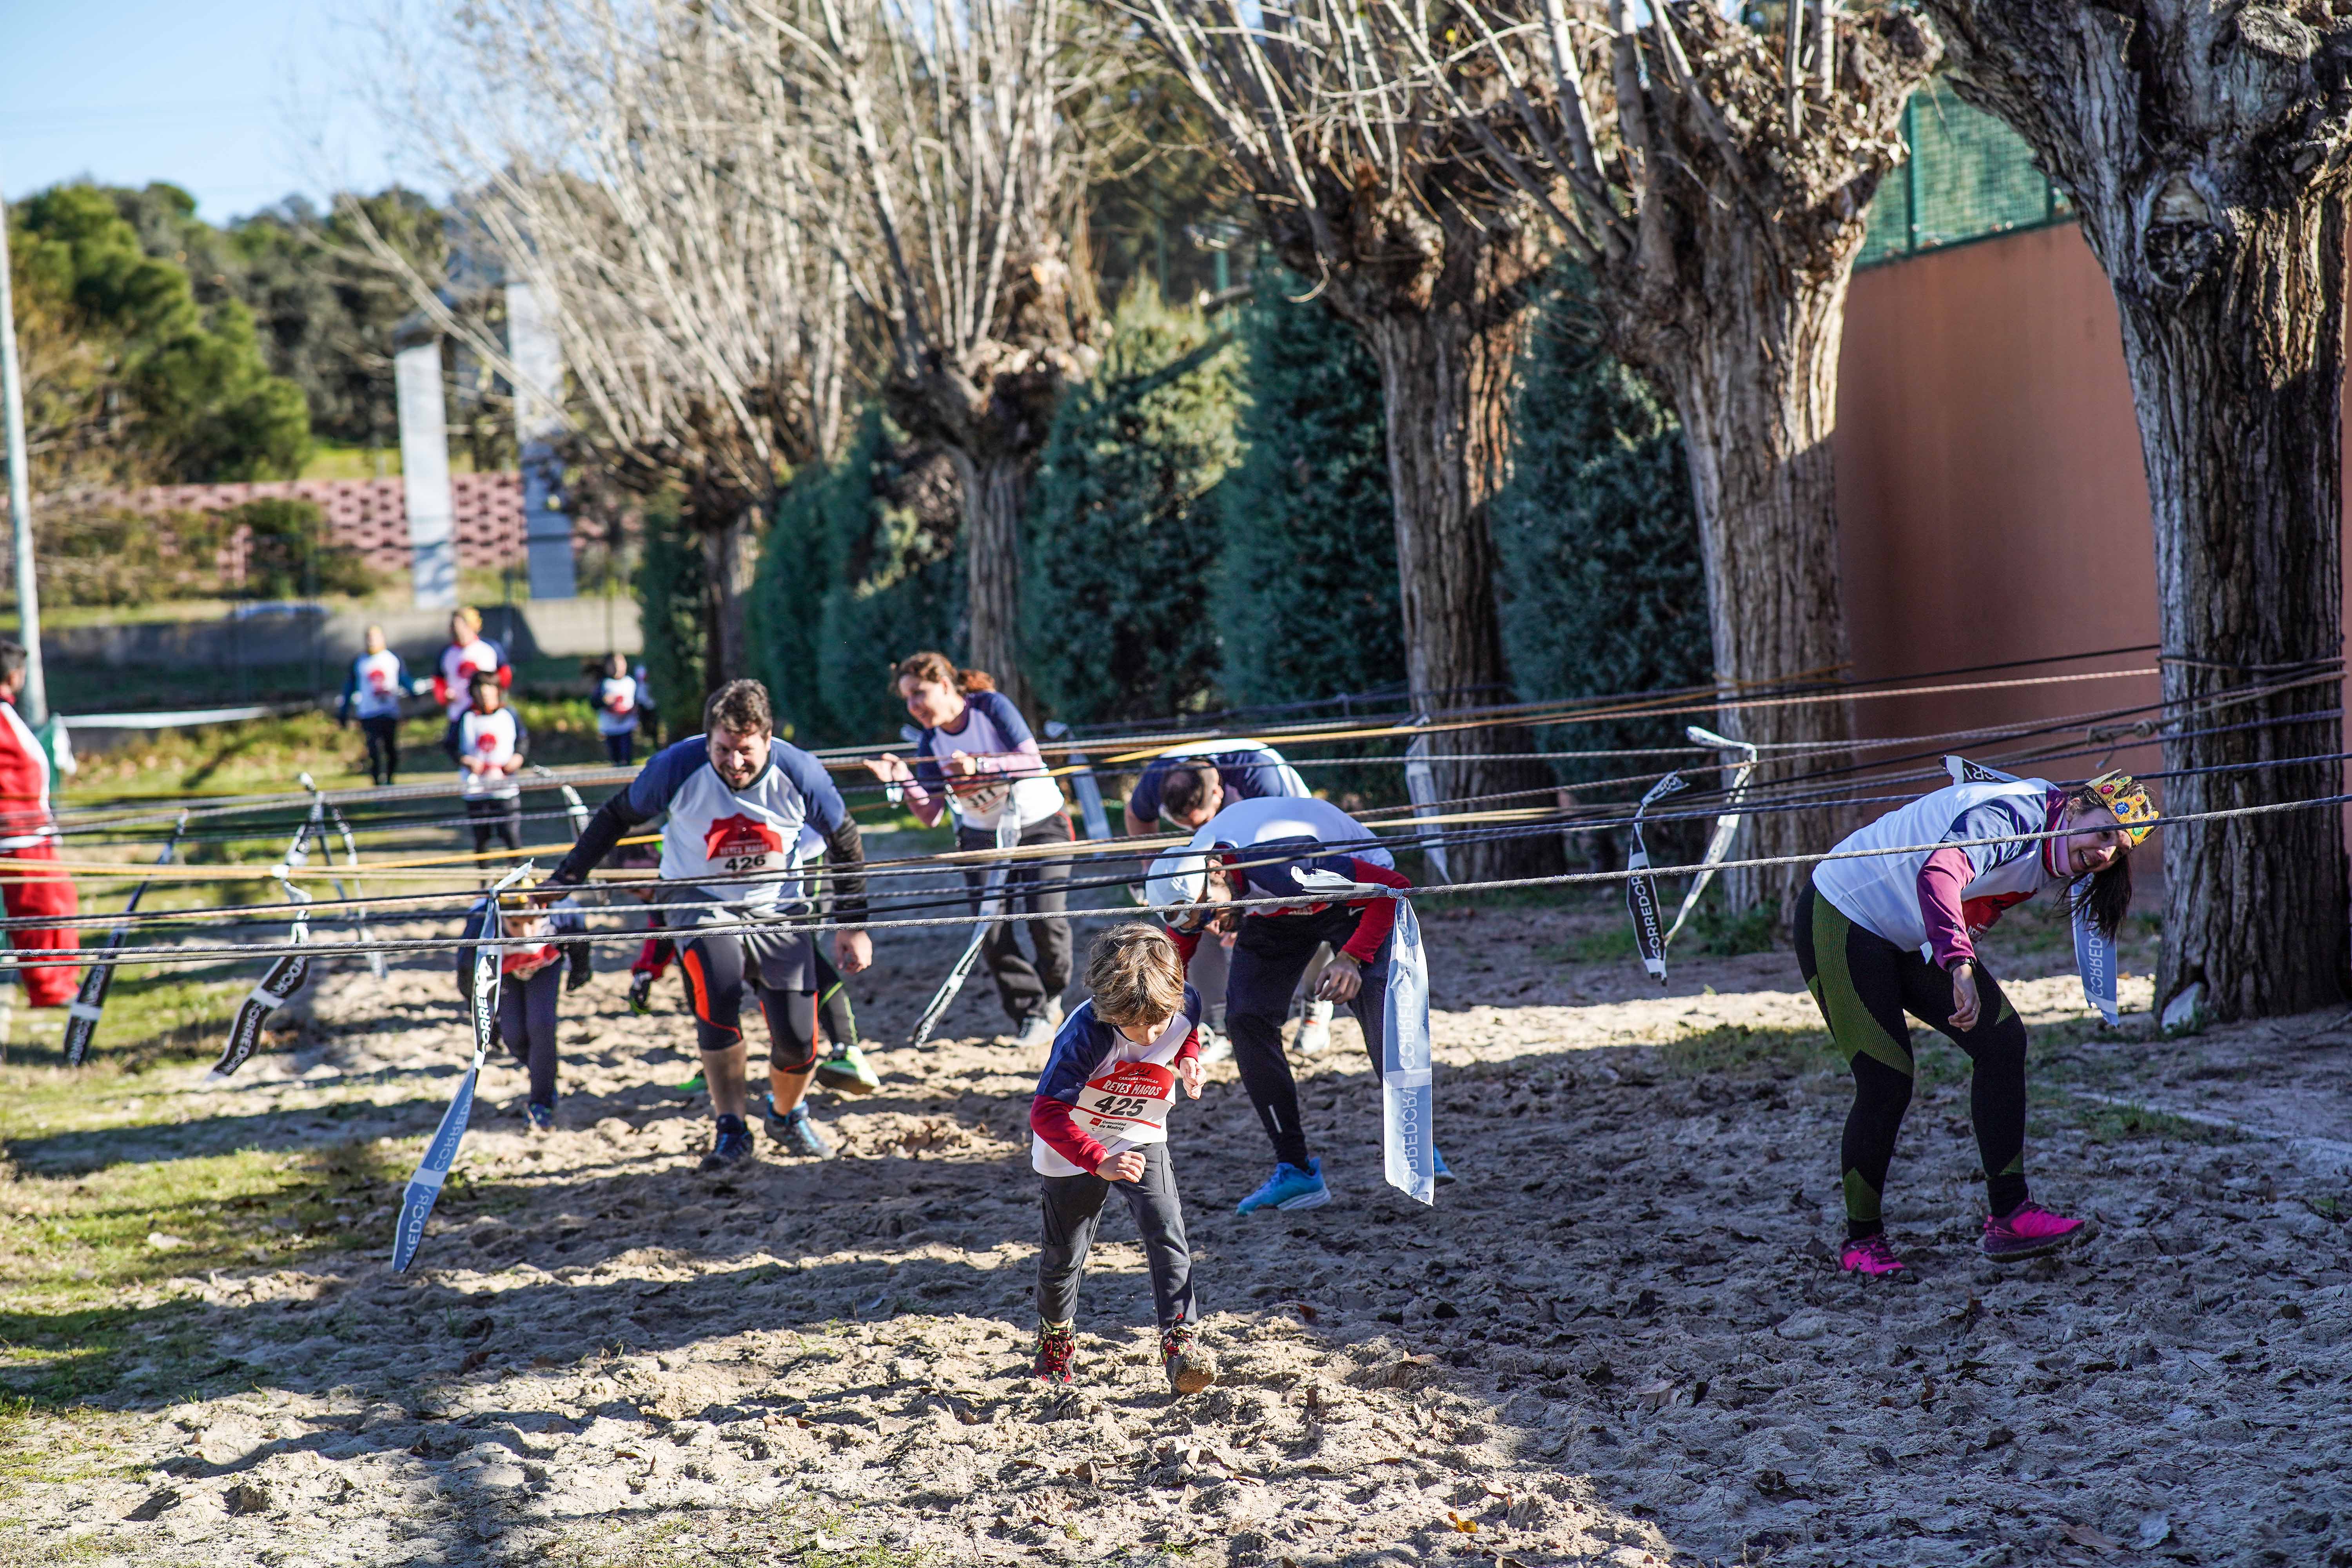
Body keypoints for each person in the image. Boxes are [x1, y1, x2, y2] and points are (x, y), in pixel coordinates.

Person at [1798, 768, 2156, 1275]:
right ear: (2079, 803)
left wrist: (1960, 949)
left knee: (2003, 1042)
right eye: (2103, 835)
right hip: (1840, 913)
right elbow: (1940, 873)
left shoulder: (2050, 848)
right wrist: (1958, 963)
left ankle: (2010, 1215)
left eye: (2116, 852)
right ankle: (1862, 1242)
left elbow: (1971, 895)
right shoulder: (2021, 816)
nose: (2103, 856)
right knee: (1886, 1080)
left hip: (1907, 930)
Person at [545, 679, 872, 1169]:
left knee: (798, 1042)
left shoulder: (800, 770)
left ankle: (785, 1114)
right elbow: (615, 815)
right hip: (697, 899)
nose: (734, 763)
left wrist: (852, 924)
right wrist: (567, 877)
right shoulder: (678, 765)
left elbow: (845, 839)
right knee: (717, 996)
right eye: (723, 749)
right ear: (707, 740)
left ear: (767, 739)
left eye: (746, 751)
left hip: (778, 906)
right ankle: (732, 1128)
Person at [1145, 793, 1452, 1214]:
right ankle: (1295, 1170)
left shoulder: (1282, 867)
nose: (1215, 927)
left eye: (1213, 913)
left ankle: (1419, 1148)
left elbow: (1393, 888)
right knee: (1245, 1019)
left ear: (1219, 873)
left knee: (1383, 1007)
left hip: (1358, 898)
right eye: (1204, 922)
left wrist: (1351, 959)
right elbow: (1176, 959)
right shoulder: (1197, 877)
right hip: (1276, 912)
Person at [1029, 923, 1214, 1394]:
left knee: (1167, 1227)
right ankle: (1056, 1340)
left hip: (1136, 1127)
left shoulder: (1185, 1000)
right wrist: (1097, 1159)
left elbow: (1185, 1030)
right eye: (1138, 1026)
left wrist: (1190, 1057)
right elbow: (1046, 1112)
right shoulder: (1086, 1036)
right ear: (1108, 1006)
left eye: (1160, 1022)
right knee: (1064, 1255)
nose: (1152, 1035)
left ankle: (1181, 1340)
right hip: (1073, 1140)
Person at [862, 653, 1072, 1048]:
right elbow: (930, 812)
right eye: (907, 699)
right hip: (981, 836)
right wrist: (904, 777)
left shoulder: (990, 707)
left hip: (1040, 823)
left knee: (1047, 918)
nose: (914, 706)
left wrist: (978, 766)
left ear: (945, 684)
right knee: (990, 931)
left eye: (919, 694)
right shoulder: (930, 739)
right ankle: (1030, 1012)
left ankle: (1052, 995)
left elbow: (1030, 759)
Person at [628, 822, 880, 1097]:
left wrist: (853, 923)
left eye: (637, 885)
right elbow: (663, 924)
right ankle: (716, 1058)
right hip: (726, 889)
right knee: (699, 961)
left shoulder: (674, 837)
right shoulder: (676, 845)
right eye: (631, 891)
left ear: (652, 854)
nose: (641, 893)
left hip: (795, 860)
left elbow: (838, 824)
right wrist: (646, 970)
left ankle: (847, 1050)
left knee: (805, 958)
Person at [1123, 741, 1330, 1059]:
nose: (1197, 830)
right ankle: (1219, 1025)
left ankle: (1316, 1003)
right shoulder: (1158, 778)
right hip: (1222, 853)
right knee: (1198, 915)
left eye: (1200, 821)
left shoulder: (1262, 777)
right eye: (1188, 825)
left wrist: (1238, 908)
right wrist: (1150, 869)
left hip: (1288, 846)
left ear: (1218, 795)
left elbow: (1289, 851)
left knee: (1308, 911)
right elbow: (1137, 817)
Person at [458, 891, 590, 1132]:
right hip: (506, 971)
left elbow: (580, 937)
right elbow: (467, 969)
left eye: (532, 921)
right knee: (515, 1036)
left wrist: (581, 971)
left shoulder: (561, 912)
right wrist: (481, 1013)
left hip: (545, 966)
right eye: (516, 924)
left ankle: (542, 1101)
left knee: (542, 1026)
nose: (525, 933)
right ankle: (541, 1069)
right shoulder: (482, 921)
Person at [0, 641, 77, 1007]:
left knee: (57, 903)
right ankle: (49, 989)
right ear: (14, 676)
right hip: (16, 835)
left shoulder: (6, 712)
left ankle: (61, 982)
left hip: (32, 830)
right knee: (37, 911)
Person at [451, 671, 527, 861]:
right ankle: (484, 880)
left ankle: (520, 878)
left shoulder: (508, 714)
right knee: (481, 839)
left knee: (511, 835)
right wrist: (466, 761)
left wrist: (518, 758)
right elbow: (451, 745)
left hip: (505, 787)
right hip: (476, 788)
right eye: (480, 688)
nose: (484, 692)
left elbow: (523, 740)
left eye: (489, 687)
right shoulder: (466, 717)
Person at [339, 624, 409, 786]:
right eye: (369, 637)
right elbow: (350, 687)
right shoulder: (360, 662)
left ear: (383, 638)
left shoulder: (392, 659)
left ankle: (390, 780)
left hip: (390, 712)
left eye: (375, 637)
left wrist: (414, 695)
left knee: (391, 749)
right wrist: (344, 710)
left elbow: (405, 680)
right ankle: (377, 783)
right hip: (368, 713)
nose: (371, 641)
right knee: (374, 750)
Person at [433, 606, 511, 726]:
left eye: (462, 626)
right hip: (458, 713)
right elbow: (438, 681)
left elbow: (505, 675)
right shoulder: (446, 653)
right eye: (455, 626)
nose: (458, 631)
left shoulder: (490, 648)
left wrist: (493, 694)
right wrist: (444, 696)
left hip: (488, 713)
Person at [590, 651, 646, 766]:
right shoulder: (604, 684)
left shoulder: (631, 682)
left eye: (620, 664)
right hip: (611, 728)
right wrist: (604, 701)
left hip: (627, 726)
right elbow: (594, 703)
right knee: (615, 756)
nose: (617, 668)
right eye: (613, 665)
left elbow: (639, 701)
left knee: (627, 755)